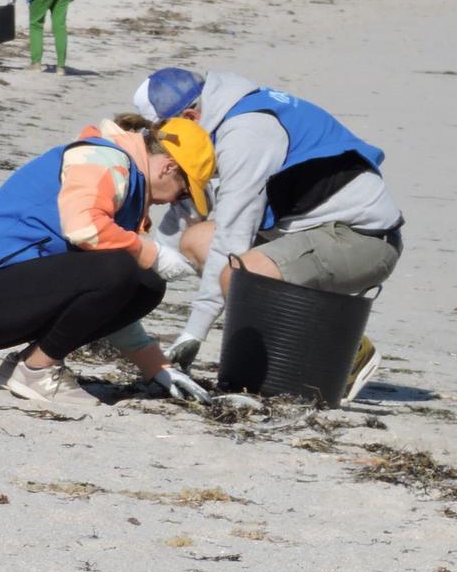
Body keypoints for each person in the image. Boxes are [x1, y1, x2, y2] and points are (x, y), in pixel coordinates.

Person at [129, 68, 402, 399]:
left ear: (190, 115)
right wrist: (129, 278)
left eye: (166, 132)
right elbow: (187, 214)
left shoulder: (247, 134)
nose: (165, 148)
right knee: (196, 240)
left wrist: (193, 333)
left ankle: (346, 351)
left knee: (242, 273)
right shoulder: (216, 118)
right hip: (310, 230)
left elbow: (232, 240)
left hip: (362, 241)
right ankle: (317, 331)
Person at [0, 114, 215, 408]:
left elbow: (108, 299)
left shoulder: (129, 185)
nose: (174, 202)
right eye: (183, 192)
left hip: (1, 296)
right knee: (125, 267)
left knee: (146, 282)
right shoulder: (103, 159)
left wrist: (157, 367)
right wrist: (152, 253)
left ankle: (28, 365)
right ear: (169, 167)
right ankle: (36, 371)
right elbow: (84, 229)